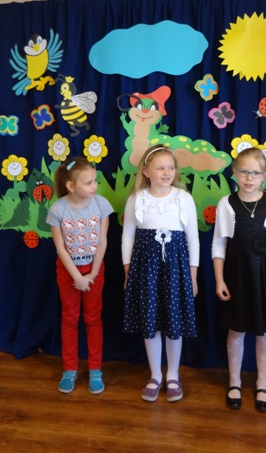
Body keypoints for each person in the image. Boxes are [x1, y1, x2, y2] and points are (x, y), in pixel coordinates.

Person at [211, 147, 266, 412]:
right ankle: (234, 382)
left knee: (264, 331)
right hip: (237, 273)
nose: (249, 178)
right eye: (244, 171)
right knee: (236, 330)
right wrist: (220, 280)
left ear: (264, 175)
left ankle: (262, 383)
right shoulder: (226, 203)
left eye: (255, 173)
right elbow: (219, 245)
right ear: (234, 172)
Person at [122, 145, 198, 403]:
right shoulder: (137, 199)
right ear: (146, 171)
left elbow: (193, 239)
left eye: (170, 168)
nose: (167, 172)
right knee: (151, 323)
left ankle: (173, 375)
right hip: (145, 270)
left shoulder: (183, 199)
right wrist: (128, 272)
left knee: (174, 323)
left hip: (176, 269)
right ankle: (155, 374)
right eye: (160, 168)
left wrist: (193, 276)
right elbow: (127, 237)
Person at [47, 156, 113, 395]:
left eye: (95, 181)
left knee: (93, 319)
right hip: (69, 273)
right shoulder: (58, 209)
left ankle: (95, 369)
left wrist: (92, 273)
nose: (95, 186)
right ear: (71, 186)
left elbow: (103, 241)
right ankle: (70, 369)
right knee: (69, 319)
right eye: (88, 182)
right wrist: (77, 276)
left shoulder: (101, 205)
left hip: (94, 271)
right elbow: (60, 248)